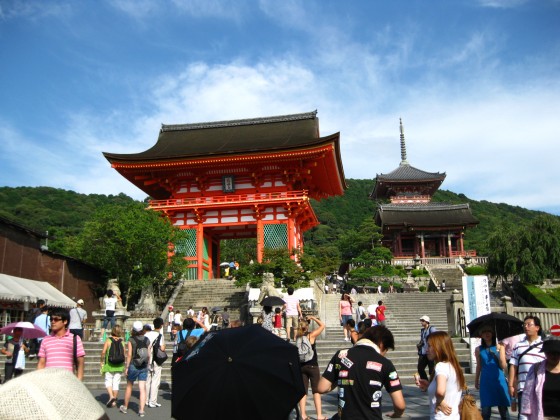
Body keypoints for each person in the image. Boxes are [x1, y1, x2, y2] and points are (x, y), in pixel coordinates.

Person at [318, 325, 406, 419]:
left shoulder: (341, 356)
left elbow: (321, 388)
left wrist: (341, 377)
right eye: (386, 350)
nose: (384, 354)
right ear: (381, 344)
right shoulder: (386, 363)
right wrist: (396, 414)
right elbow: (400, 405)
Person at [415, 331, 465, 419]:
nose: (426, 350)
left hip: (441, 417)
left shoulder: (441, 366)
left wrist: (440, 401)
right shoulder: (453, 366)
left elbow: (440, 392)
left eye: (429, 346)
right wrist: (429, 385)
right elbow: (448, 388)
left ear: (439, 347)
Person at [508, 315, 546, 419]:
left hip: (540, 388)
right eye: (524, 325)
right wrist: (510, 386)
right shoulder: (518, 346)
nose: (526, 327)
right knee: (523, 416)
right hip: (523, 388)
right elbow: (513, 366)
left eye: (529, 324)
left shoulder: (544, 345)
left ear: (537, 328)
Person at [37, 307, 85, 380]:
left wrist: (79, 381)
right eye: (51, 319)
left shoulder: (74, 339)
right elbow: (41, 363)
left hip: (67, 382)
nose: (53, 322)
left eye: (56, 319)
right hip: (49, 382)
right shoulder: (45, 340)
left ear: (65, 321)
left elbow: (80, 363)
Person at [474, 324, 510, 420]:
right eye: (484, 332)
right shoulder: (478, 349)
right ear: (481, 335)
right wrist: (476, 380)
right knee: (485, 411)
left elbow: (503, 366)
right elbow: (479, 366)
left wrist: (499, 352)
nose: (487, 334)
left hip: (498, 379)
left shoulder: (500, 347)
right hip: (485, 381)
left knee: (503, 410)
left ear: (493, 333)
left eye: (489, 331)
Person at [520, 336, 560, 419]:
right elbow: (528, 393)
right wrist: (524, 416)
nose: (553, 356)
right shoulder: (536, 369)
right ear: (545, 353)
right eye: (550, 353)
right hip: (542, 416)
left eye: (557, 353)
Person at [297, 315, 326, 420]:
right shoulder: (311, 335)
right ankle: (319, 415)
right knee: (316, 391)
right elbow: (322, 325)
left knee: (303, 391)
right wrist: (313, 318)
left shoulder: (298, 337)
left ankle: (303, 415)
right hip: (313, 365)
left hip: (302, 366)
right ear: (307, 327)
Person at [120, 321, 149, 417]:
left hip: (133, 365)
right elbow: (148, 354)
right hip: (144, 365)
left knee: (129, 386)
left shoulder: (131, 339)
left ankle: (125, 407)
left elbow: (129, 354)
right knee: (142, 388)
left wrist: (127, 366)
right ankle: (141, 410)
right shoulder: (146, 339)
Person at [100, 325, 126, 408]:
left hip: (109, 364)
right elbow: (124, 354)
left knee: (108, 381)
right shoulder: (122, 341)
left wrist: (101, 361)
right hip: (119, 365)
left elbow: (103, 352)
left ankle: (111, 397)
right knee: (116, 382)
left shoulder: (108, 340)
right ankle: (114, 401)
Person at [145, 317, 166, 409]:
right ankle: (152, 401)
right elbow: (162, 348)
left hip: (147, 359)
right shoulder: (160, 335)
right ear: (161, 325)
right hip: (156, 360)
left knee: (147, 380)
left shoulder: (147, 334)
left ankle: (145, 400)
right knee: (155, 380)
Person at [417, 315, 436, 381]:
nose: (421, 322)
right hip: (423, 352)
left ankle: (432, 383)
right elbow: (422, 339)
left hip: (430, 352)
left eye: (423, 321)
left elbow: (436, 338)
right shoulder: (422, 330)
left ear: (427, 321)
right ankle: (426, 381)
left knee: (431, 370)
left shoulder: (431, 329)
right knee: (420, 368)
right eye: (421, 321)